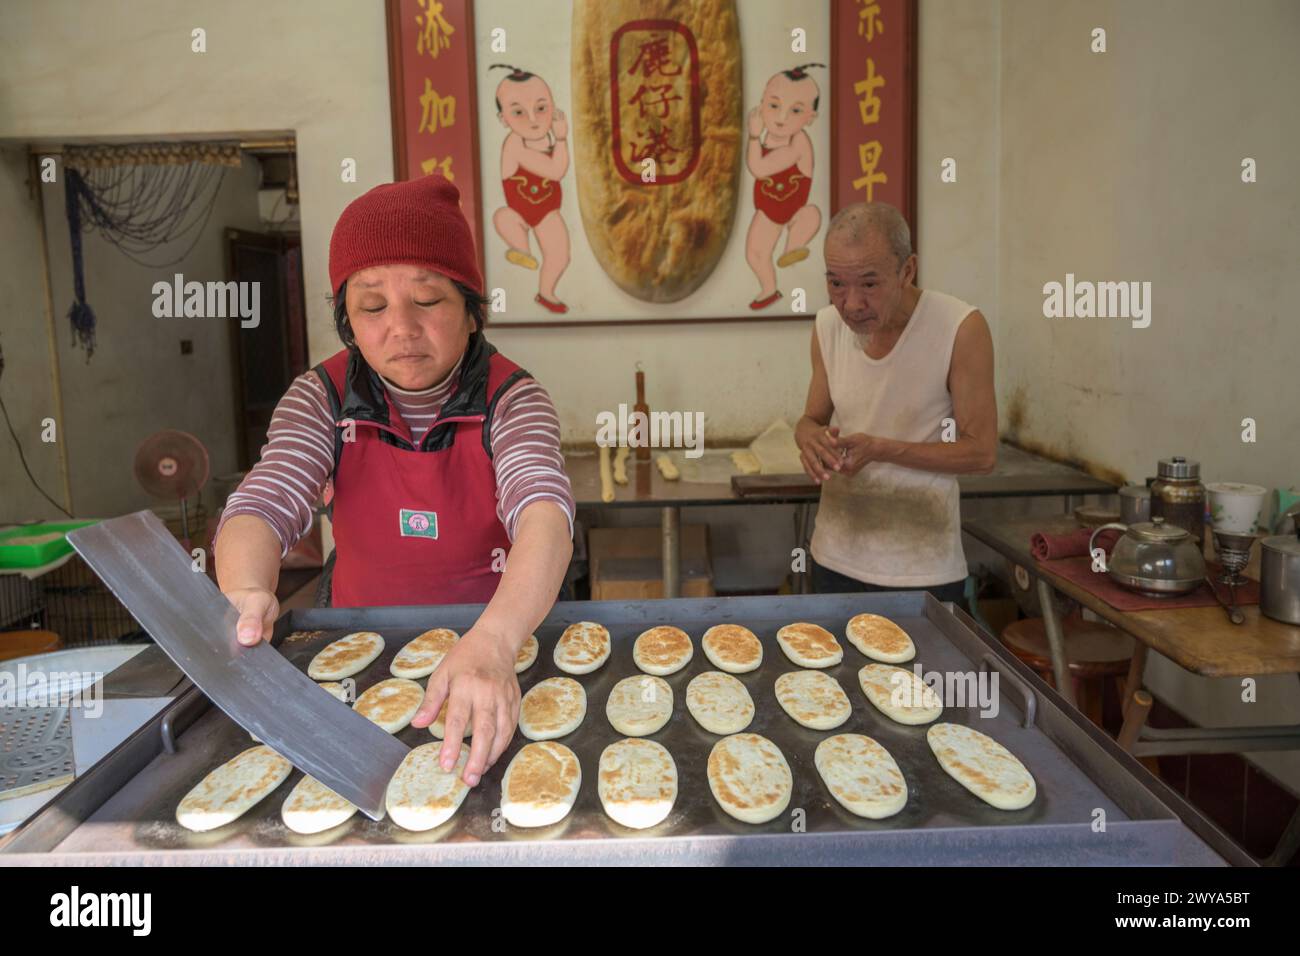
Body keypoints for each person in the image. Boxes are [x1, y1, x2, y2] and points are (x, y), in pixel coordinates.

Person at [214, 174, 575, 789]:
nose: (401, 327)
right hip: (361, 651)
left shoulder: (513, 399)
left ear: (470, 310)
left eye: (428, 301)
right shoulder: (320, 396)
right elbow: (267, 498)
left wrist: (493, 640)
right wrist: (247, 590)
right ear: (349, 322)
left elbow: (543, 510)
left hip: (498, 647)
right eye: (373, 306)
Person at [795, 202, 997, 607]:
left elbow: (982, 453)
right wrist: (810, 439)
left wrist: (883, 449)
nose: (851, 304)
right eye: (836, 284)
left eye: (869, 284)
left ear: (907, 271)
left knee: (918, 673)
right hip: (834, 557)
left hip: (921, 568)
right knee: (830, 670)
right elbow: (810, 419)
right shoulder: (828, 327)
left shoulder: (959, 328)